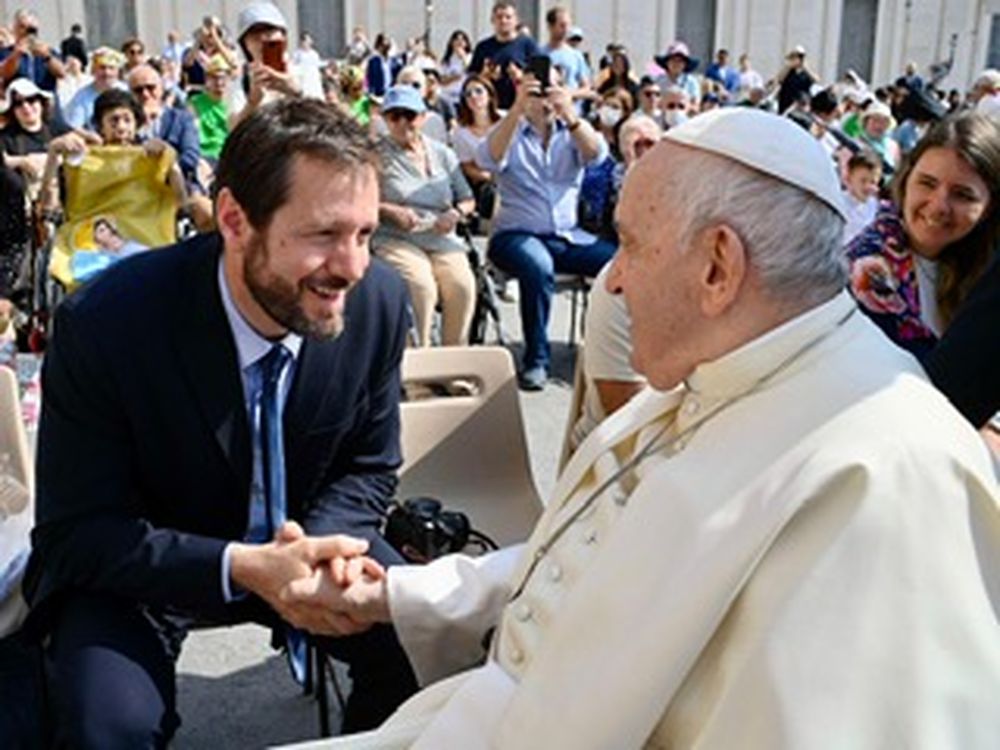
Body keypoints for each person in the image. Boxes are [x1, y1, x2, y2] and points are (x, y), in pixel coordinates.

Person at [276, 107, 1000, 749]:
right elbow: (594, 565)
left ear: (718, 267)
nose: (614, 279)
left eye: (628, 244)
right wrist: (396, 594)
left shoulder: (885, 474)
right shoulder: (725, 369)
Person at [23, 97, 420, 747]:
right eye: (324, 234)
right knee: (106, 727)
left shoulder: (376, 301)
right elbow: (75, 533)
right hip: (146, 571)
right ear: (234, 219)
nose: (352, 266)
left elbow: (370, 465)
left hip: (310, 546)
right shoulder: (106, 325)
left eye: (365, 234)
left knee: (427, 647)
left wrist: (317, 552)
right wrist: (240, 565)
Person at [478, 69, 615, 390]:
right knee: (537, 265)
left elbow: (597, 156)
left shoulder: (572, 130)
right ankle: (536, 359)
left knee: (618, 263)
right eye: (538, 89)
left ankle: (606, 353)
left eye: (551, 87)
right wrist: (517, 108)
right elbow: (488, 159)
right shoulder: (511, 130)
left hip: (566, 236)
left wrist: (570, 114)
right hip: (515, 235)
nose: (545, 97)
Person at [846, 113, 999, 360]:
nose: (939, 206)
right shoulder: (865, 268)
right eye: (927, 183)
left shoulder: (985, 265)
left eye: (962, 195)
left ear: (989, 208)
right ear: (906, 180)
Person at [373, 85, 476, 347]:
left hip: (441, 235)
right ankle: (418, 362)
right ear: (385, 119)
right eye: (394, 116)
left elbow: (467, 198)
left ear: (423, 117)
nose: (402, 123)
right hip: (396, 236)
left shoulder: (442, 153)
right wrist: (389, 210)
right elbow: (359, 201)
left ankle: (454, 361)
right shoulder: (375, 154)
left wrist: (455, 213)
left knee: (462, 286)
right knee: (421, 286)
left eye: (409, 115)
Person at [0, 78, 71, 198]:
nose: (26, 107)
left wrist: (51, 160)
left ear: (41, 103)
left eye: (31, 100)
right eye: (18, 103)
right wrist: (22, 161)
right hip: (22, 202)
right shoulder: (6, 137)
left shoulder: (56, 128)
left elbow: (81, 145)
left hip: (60, 198)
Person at [468, 1, 541, 110]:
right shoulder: (482, 47)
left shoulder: (528, 45)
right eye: (499, 17)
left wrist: (520, 76)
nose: (503, 21)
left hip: (521, 107)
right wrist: (485, 76)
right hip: (491, 108)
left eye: (508, 17)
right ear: (492, 20)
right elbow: (471, 78)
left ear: (516, 20)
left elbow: (540, 77)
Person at [452, 75, 501, 223]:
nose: (473, 96)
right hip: (485, 181)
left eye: (478, 91)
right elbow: (467, 167)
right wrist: (491, 178)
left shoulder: (505, 121)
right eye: (468, 94)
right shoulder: (461, 133)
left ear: (489, 95)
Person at [0, 9, 65, 95]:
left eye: (31, 29)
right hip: (19, 100)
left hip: (45, 99)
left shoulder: (49, 51)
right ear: (15, 29)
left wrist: (47, 56)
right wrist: (16, 55)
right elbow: (5, 73)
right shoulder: (6, 52)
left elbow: (61, 73)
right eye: (22, 27)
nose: (27, 32)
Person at [542, 6, 593, 113]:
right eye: (562, 25)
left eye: (568, 25)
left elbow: (586, 88)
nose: (566, 29)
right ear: (550, 26)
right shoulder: (540, 54)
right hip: (547, 112)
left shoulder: (576, 55)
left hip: (571, 112)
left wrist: (570, 93)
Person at [63, 46, 127, 130]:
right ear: (93, 71)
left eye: (111, 68)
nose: (107, 73)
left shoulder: (126, 91)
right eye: (102, 68)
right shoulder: (82, 96)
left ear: (117, 72)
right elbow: (75, 127)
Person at [188, 54, 233, 164]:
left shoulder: (233, 103)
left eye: (223, 78)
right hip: (203, 155)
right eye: (214, 78)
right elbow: (193, 130)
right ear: (207, 79)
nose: (219, 83)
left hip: (228, 155)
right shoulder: (195, 102)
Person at [841, 150, 881, 244]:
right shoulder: (839, 202)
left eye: (873, 182)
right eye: (863, 181)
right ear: (849, 178)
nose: (868, 186)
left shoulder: (875, 208)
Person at [653, 41, 700, 108]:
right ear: (666, 62)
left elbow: (695, 104)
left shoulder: (691, 82)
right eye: (673, 60)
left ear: (685, 64)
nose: (676, 63)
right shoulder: (658, 81)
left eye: (680, 61)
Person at [776, 45, 816, 114]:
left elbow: (815, 80)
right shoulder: (788, 71)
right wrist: (789, 66)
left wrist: (805, 68)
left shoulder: (806, 73)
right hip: (786, 102)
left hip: (801, 105)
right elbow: (779, 79)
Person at [439, 29, 472, 106]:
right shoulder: (447, 59)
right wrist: (454, 77)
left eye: (462, 40)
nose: (459, 42)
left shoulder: (470, 57)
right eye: (456, 39)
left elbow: (470, 71)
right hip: (448, 97)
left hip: (464, 96)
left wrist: (463, 57)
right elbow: (442, 80)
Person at [293, 31, 325, 99]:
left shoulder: (314, 53)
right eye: (305, 41)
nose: (308, 43)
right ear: (302, 42)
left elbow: (318, 65)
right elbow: (294, 67)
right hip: (303, 79)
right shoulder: (297, 54)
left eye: (308, 40)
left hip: (313, 79)